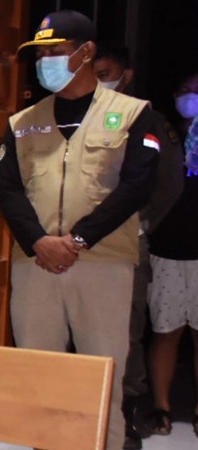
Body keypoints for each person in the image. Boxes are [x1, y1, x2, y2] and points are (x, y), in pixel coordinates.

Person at [0, 11, 166, 450]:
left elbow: (137, 186)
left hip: (102, 263)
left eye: (55, 51)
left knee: (101, 375)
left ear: (86, 52)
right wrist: (38, 241)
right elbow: (8, 189)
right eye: (39, 56)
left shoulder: (132, 114)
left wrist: (77, 239)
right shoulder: (22, 122)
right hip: (36, 264)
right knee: (39, 375)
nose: (44, 63)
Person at [92, 43, 185, 450]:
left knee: (125, 330)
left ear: (126, 76)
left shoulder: (148, 120)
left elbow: (169, 184)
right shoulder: (78, 118)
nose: (98, 82)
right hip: (79, 245)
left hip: (128, 242)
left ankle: (125, 416)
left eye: (105, 74)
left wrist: (142, 224)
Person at [144, 72, 198, 438]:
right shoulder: (164, 133)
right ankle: (161, 407)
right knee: (166, 331)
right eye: (184, 91)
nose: (190, 97)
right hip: (166, 248)